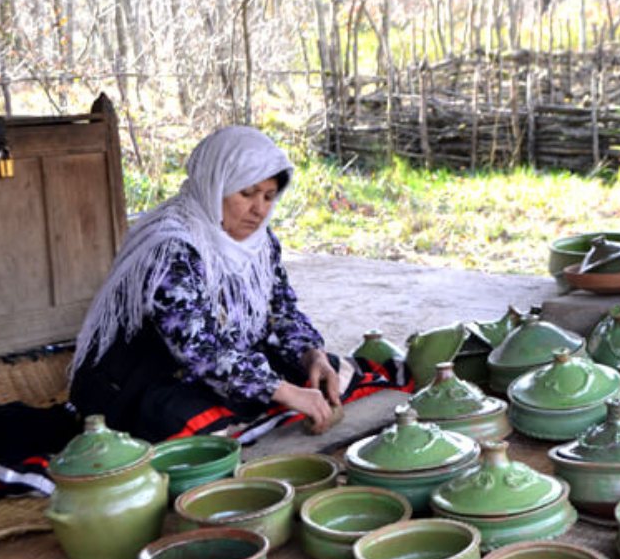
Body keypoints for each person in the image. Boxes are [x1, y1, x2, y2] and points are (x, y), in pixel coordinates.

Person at [68, 127, 405, 442]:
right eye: (247, 193)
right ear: (216, 184)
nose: (259, 210)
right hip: (151, 371)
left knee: (325, 371)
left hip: (224, 355)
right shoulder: (170, 247)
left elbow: (281, 311)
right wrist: (285, 392)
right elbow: (198, 350)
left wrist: (310, 354)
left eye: (269, 196)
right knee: (183, 419)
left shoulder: (259, 242)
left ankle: (271, 404)